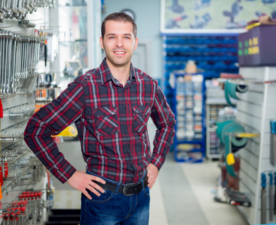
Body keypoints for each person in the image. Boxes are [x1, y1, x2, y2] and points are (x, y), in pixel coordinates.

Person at [24, 12, 176, 225]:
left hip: (141, 197)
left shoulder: (147, 85)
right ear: (102, 42)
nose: (119, 43)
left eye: (126, 37)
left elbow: (167, 123)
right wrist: (70, 175)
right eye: (112, 36)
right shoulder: (85, 87)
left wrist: (155, 163)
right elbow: (36, 129)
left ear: (135, 42)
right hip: (102, 199)